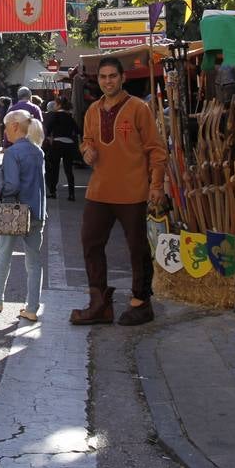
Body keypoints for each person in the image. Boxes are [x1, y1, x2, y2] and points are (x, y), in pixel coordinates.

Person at [71, 56, 167, 327]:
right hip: (99, 189)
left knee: (137, 248)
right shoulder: (93, 110)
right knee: (90, 243)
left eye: (112, 76)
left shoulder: (138, 108)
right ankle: (99, 303)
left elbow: (156, 149)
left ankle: (141, 302)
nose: (108, 81)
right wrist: (86, 150)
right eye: (103, 77)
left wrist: (157, 184)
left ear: (122, 78)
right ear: (97, 80)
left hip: (133, 190)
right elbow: (87, 140)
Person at [0, 110, 46, 322]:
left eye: (6, 126)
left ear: (15, 126)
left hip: (13, 212)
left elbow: (13, 184)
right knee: (34, 263)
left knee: (3, 254)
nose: (4, 131)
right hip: (36, 211)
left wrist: (1, 190)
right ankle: (32, 307)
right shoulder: (37, 150)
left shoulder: (13, 153)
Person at [43, 96, 81, 201]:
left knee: (54, 169)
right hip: (69, 144)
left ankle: (53, 192)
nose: (54, 106)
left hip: (57, 143)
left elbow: (48, 129)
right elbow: (78, 130)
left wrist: (49, 137)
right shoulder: (70, 116)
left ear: (59, 105)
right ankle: (71, 194)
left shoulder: (55, 115)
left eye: (55, 104)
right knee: (68, 170)